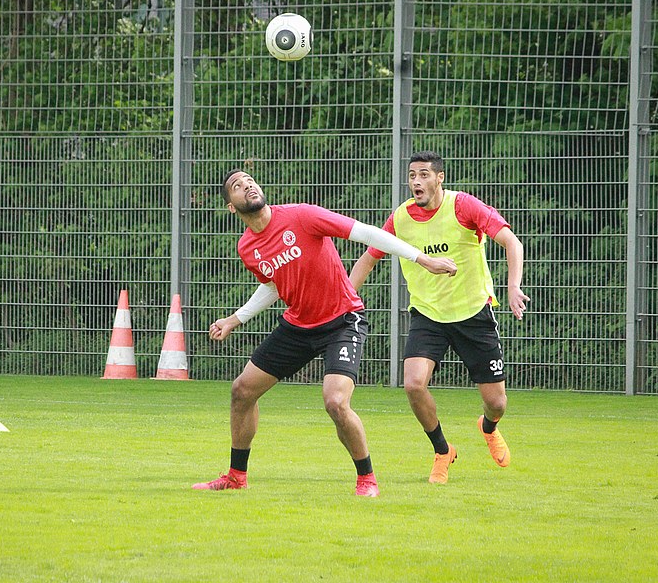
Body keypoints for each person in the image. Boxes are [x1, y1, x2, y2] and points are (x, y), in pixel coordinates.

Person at [193, 168, 457, 496]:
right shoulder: (247, 247)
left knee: (335, 401)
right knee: (242, 391)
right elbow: (274, 284)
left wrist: (422, 259)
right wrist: (236, 318)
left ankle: (367, 479)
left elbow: (367, 233)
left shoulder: (302, 216)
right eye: (237, 185)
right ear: (231, 207)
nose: (247, 185)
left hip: (342, 321)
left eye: (250, 180)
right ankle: (236, 477)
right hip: (298, 326)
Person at [349, 151, 529, 485]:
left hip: (473, 313)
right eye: (412, 175)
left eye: (423, 174)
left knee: (497, 403)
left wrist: (513, 285)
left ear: (439, 178)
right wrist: (343, 299)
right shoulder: (401, 218)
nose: (416, 181)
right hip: (428, 315)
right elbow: (368, 258)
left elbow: (511, 241)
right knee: (413, 384)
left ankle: (488, 427)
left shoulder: (463, 206)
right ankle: (443, 450)